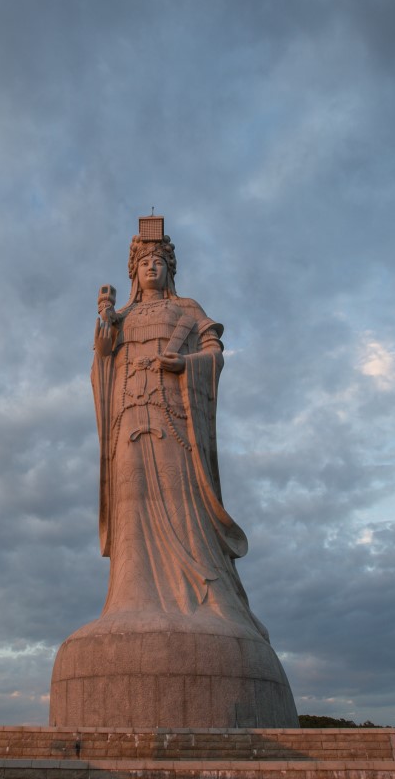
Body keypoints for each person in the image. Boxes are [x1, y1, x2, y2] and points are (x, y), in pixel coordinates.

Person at [91, 230, 267, 639]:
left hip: (173, 416)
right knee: (132, 502)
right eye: (143, 262)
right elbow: (101, 357)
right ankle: (131, 599)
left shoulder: (187, 308)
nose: (152, 266)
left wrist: (186, 363)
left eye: (159, 261)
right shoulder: (121, 316)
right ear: (133, 271)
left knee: (179, 498)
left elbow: (214, 352)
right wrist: (105, 318)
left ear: (170, 269)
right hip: (129, 415)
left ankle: (202, 596)